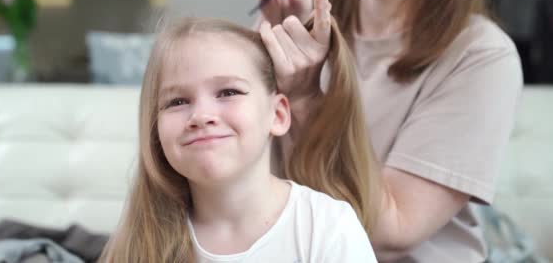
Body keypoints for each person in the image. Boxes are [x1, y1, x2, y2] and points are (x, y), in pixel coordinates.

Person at [255, 0, 523, 261]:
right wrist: (267, 41)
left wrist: (306, 99)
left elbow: (392, 233)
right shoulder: (309, 16)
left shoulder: (481, 56)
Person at [99, 15, 381, 262]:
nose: (201, 115)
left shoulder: (327, 226)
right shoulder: (138, 238)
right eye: (177, 101)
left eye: (228, 92)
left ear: (278, 114)